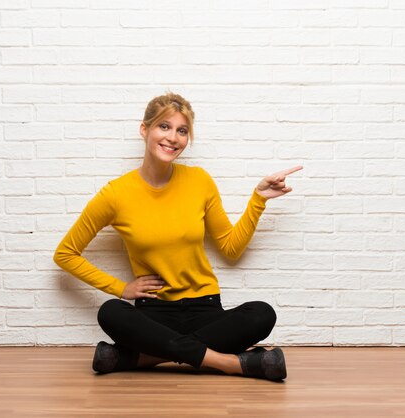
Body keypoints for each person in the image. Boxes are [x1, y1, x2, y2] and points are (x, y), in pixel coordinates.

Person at [53, 92, 302, 381]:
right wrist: (121, 288)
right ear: (144, 129)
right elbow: (65, 254)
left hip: (206, 308)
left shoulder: (199, 181)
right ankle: (233, 364)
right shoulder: (115, 194)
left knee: (262, 313)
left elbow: (231, 248)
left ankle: (143, 358)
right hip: (153, 313)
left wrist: (258, 199)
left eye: (182, 131)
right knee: (110, 312)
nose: (173, 137)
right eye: (164, 126)